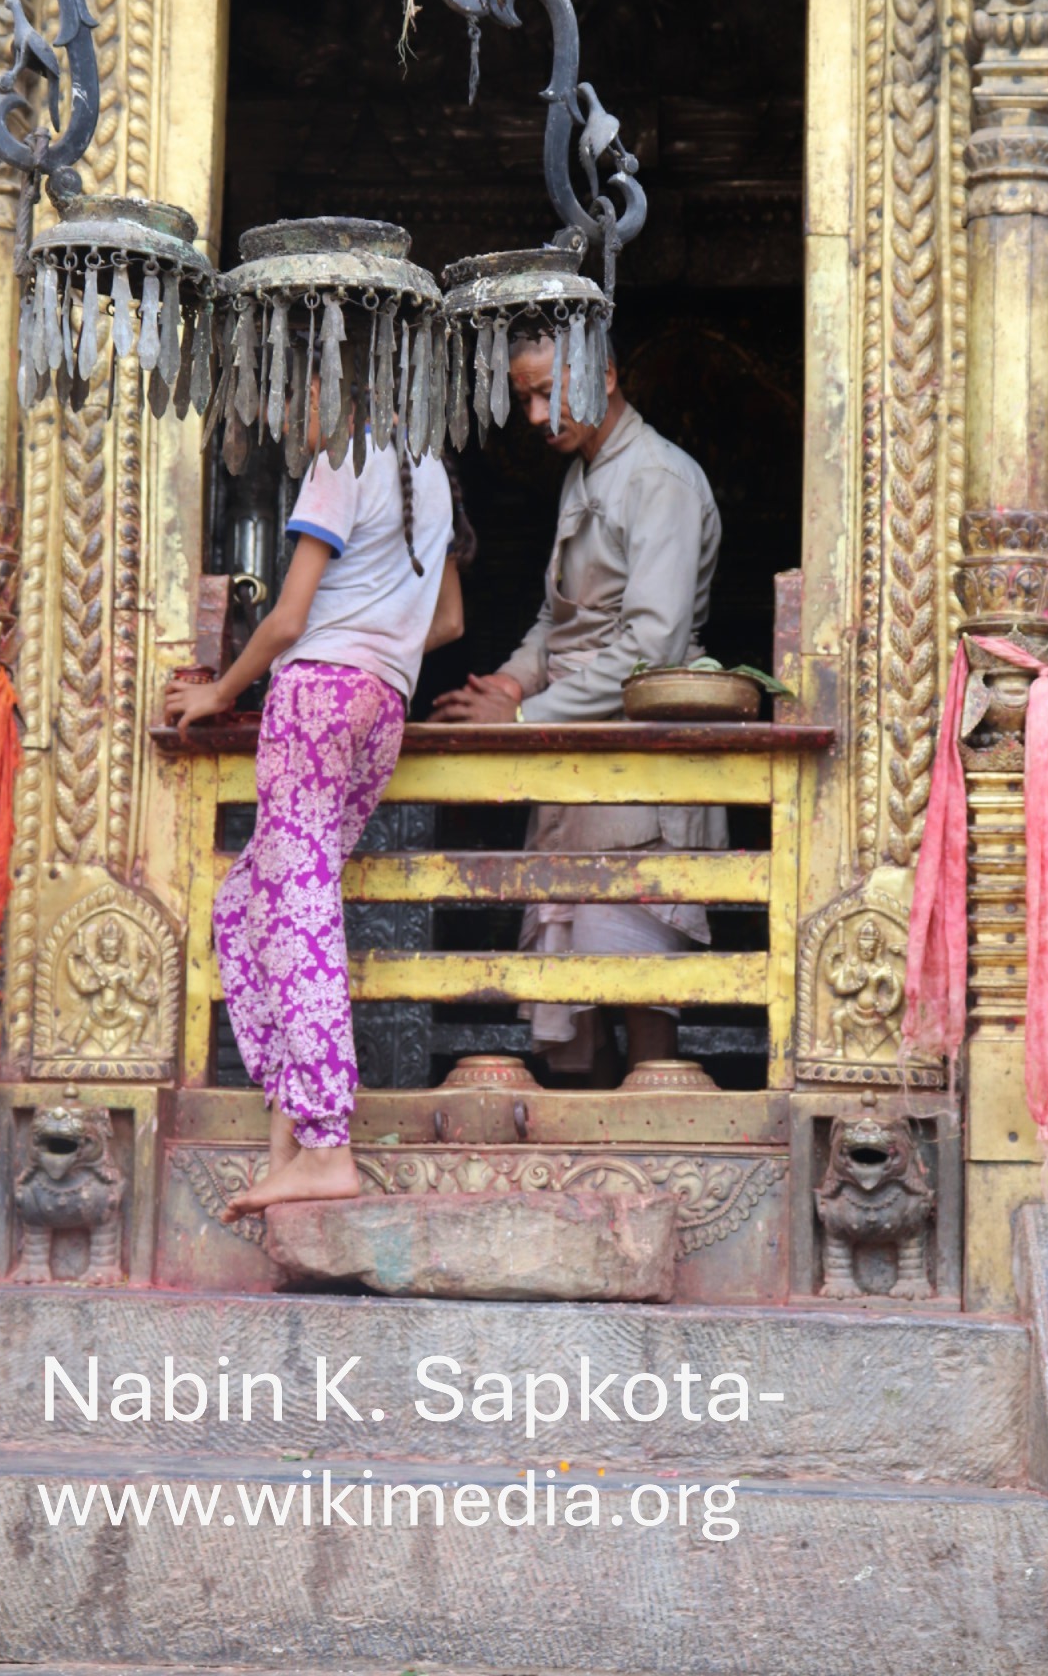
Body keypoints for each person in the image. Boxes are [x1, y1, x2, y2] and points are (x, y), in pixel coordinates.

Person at [165, 374, 461, 1212]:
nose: (287, 418)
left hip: (315, 697)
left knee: (299, 910)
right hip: (382, 707)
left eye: (293, 395)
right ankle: (286, 1137)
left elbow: (289, 617)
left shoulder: (343, 458)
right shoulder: (430, 471)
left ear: (334, 385)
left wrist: (218, 693)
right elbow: (445, 623)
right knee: (249, 903)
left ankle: (328, 1142)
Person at [430, 330, 722, 1078]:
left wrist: (527, 716)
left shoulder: (660, 478)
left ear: (608, 375)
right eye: (525, 397)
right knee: (567, 998)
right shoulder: (588, 471)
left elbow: (648, 650)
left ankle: (652, 1177)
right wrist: (511, 684)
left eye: (546, 393)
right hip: (574, 764)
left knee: (636, 988)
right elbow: (557, 623)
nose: (534, 415)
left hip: (635, 775)